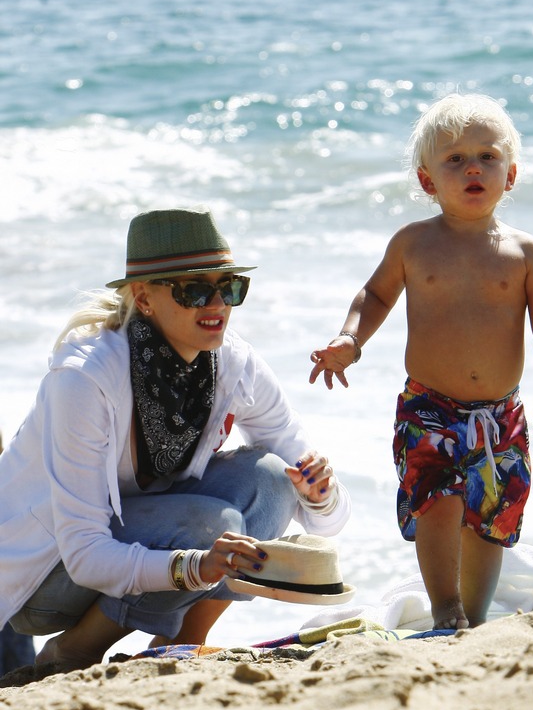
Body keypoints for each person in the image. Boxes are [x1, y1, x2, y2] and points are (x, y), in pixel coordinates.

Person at [0, 207, 350, 668]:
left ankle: (183, 641)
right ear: (143, 297)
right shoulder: (84, 379)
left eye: (229, 287)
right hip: (42, 582)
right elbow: (84, 553)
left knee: (271, 479)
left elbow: (327, 521)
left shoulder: (235, 364)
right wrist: (194, 565)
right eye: (195, 290)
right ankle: (77, 648)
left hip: (136, 547)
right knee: (208, 523)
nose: (217, 304)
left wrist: (319, 494)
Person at [309, 92, 533, 631]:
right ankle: (444, 607)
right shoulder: (414, 243)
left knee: (490, 521)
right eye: (454, 159)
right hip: (429, 407)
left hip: (501, 416)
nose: (473, 167)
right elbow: (375, 296)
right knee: (438, 503)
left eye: (487, 156)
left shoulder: (526, 254)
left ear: (511, 174)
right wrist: (349, 340)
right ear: (429, 181)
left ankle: (471, 618)